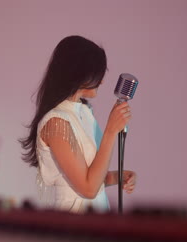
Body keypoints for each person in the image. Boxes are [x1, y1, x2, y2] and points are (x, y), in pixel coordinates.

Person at [20, 35, 137, 213]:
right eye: (97, 74)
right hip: (73, 224)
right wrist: (111, 131)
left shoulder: (84, 113)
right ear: (79, 74)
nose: (102, 81)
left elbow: (93, 178)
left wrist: (118, 177)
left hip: (97, 218)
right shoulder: (56, 122)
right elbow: (88, 188)